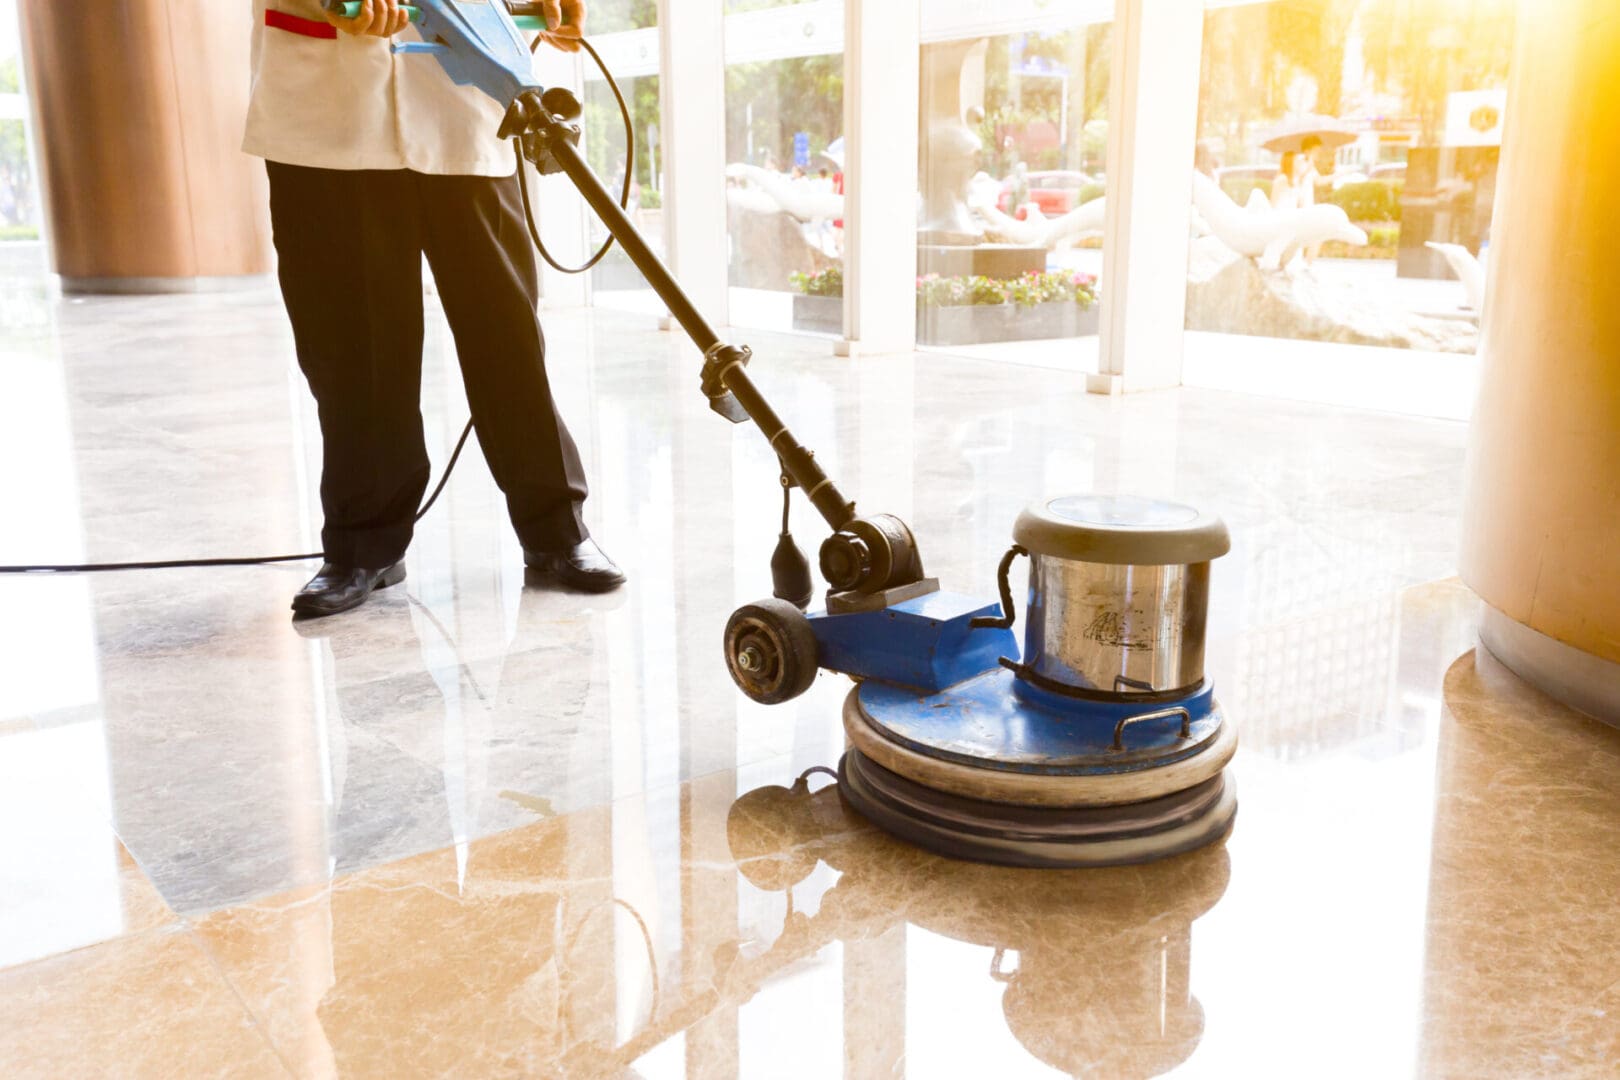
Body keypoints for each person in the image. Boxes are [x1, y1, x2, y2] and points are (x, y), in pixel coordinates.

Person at [243, 0, 624, 619]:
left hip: (464, 90)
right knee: (348, 341)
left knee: (506, 330)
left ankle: (557, 530)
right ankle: (363, 543)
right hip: (327, 99)